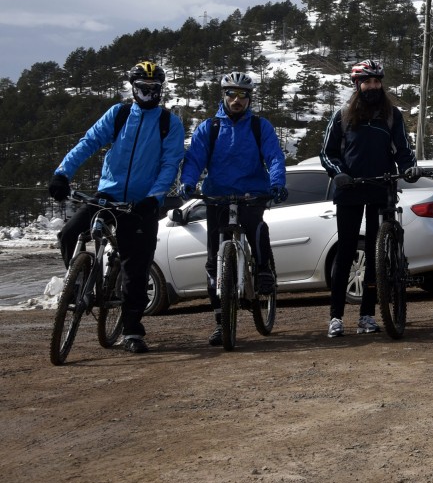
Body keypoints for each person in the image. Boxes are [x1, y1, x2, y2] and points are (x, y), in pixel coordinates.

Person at [47, 61, 184, 354]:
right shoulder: (119, 114)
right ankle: (79, 284)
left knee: (136, 268)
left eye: (153, 88)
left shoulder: (168, 122)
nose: (148, 93)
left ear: (160, 90)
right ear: (133, 88)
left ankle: (132, 330)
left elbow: (170, 164)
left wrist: (154, 198)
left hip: (141, 204)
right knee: (69, 234)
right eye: (142, 88)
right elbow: (89, 142)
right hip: (107, 195)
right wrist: (62, 174)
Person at [179, 72, 288, 346]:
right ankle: (220, 322)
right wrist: (188, 182)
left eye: (242, 95)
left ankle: (263, 269)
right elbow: (194, 159)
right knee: (213, 261)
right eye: (231, 94)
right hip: (217, 196)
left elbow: (274, 156)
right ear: (223, 96)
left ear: (249, 98)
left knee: (256, 226)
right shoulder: (210, 127)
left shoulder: (259, 126)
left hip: (252, 193)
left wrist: (277, 183)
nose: (237, 100)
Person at [319, 59, 417, 338]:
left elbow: (403, 149)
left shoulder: (392, 115)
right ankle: (336, 316)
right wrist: (338, 173)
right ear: (357, 85)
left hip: (380, 188)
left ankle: (367, 315)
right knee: (346, 251)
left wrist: (409, 168)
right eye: (367, 82)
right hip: (349, 189)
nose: (373, 86)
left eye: (377, 81)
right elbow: (327, 153)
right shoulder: (342, 115)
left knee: (376, 254)